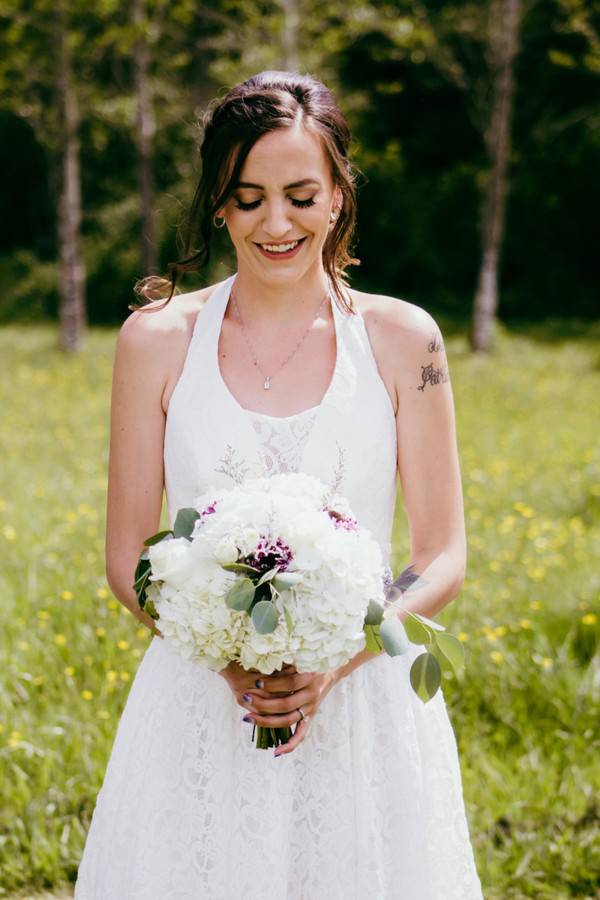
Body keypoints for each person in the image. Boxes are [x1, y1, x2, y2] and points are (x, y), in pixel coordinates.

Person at [74, 70, 484, 899]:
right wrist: (228, 661)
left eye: (301, 194)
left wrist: (339, 661)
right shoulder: (154, 341)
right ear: (218, 204)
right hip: (200, 704)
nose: (276, 222)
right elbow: (128, 557)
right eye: (248, 196)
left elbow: (441, 554)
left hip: (367, 705)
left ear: (338, 195)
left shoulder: (407, 340)